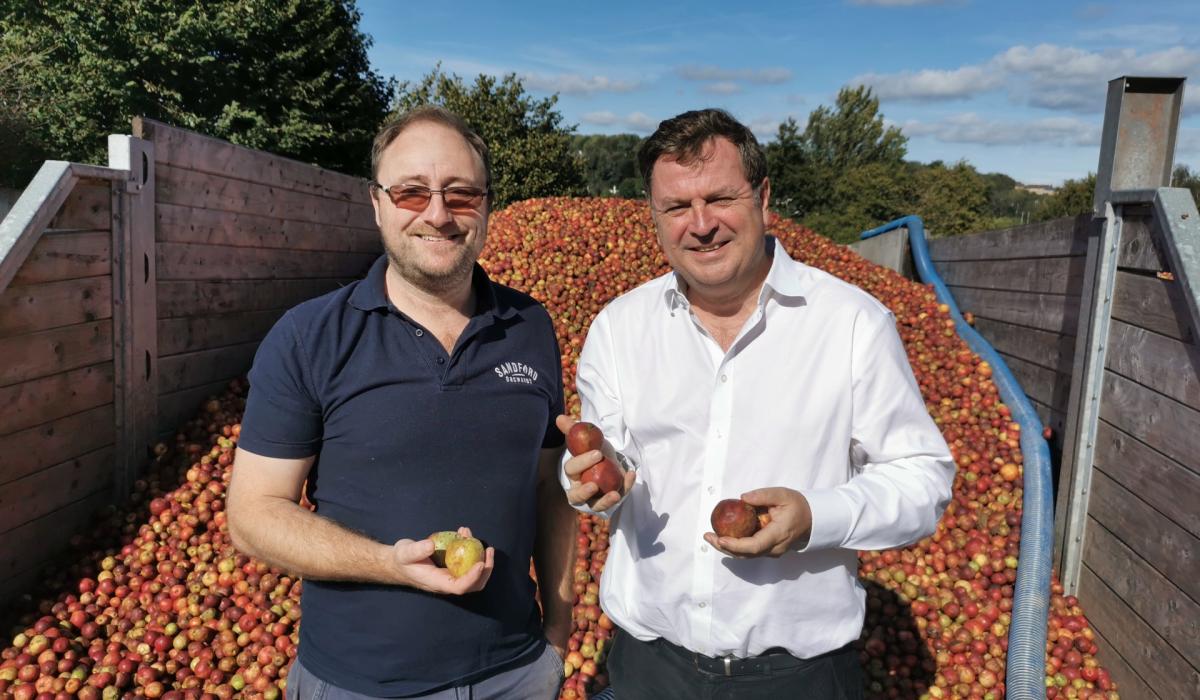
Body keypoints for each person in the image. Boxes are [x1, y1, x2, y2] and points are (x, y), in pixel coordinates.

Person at [557, 108, 955, 699]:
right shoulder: (619, 328)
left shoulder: (851, 324)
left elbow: (924, 480)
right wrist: (592, 484)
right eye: (675, 207)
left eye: (720, 198)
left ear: (763, 198)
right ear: (654, 217)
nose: (700, 225)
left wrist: (817, 517)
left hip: (799, 679)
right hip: (649, 670)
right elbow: (612, 467)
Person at [227, 106, 576, 700]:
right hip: (359, 684)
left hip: (516, 675)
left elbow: (550, 487)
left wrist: (560, 632)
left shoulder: (530, 325)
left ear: (487, 203)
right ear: (377, 203)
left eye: (461, 194)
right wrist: (389, 563)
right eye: (412, 192)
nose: (438, 214)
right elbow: (253, 515)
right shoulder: (309, 336)